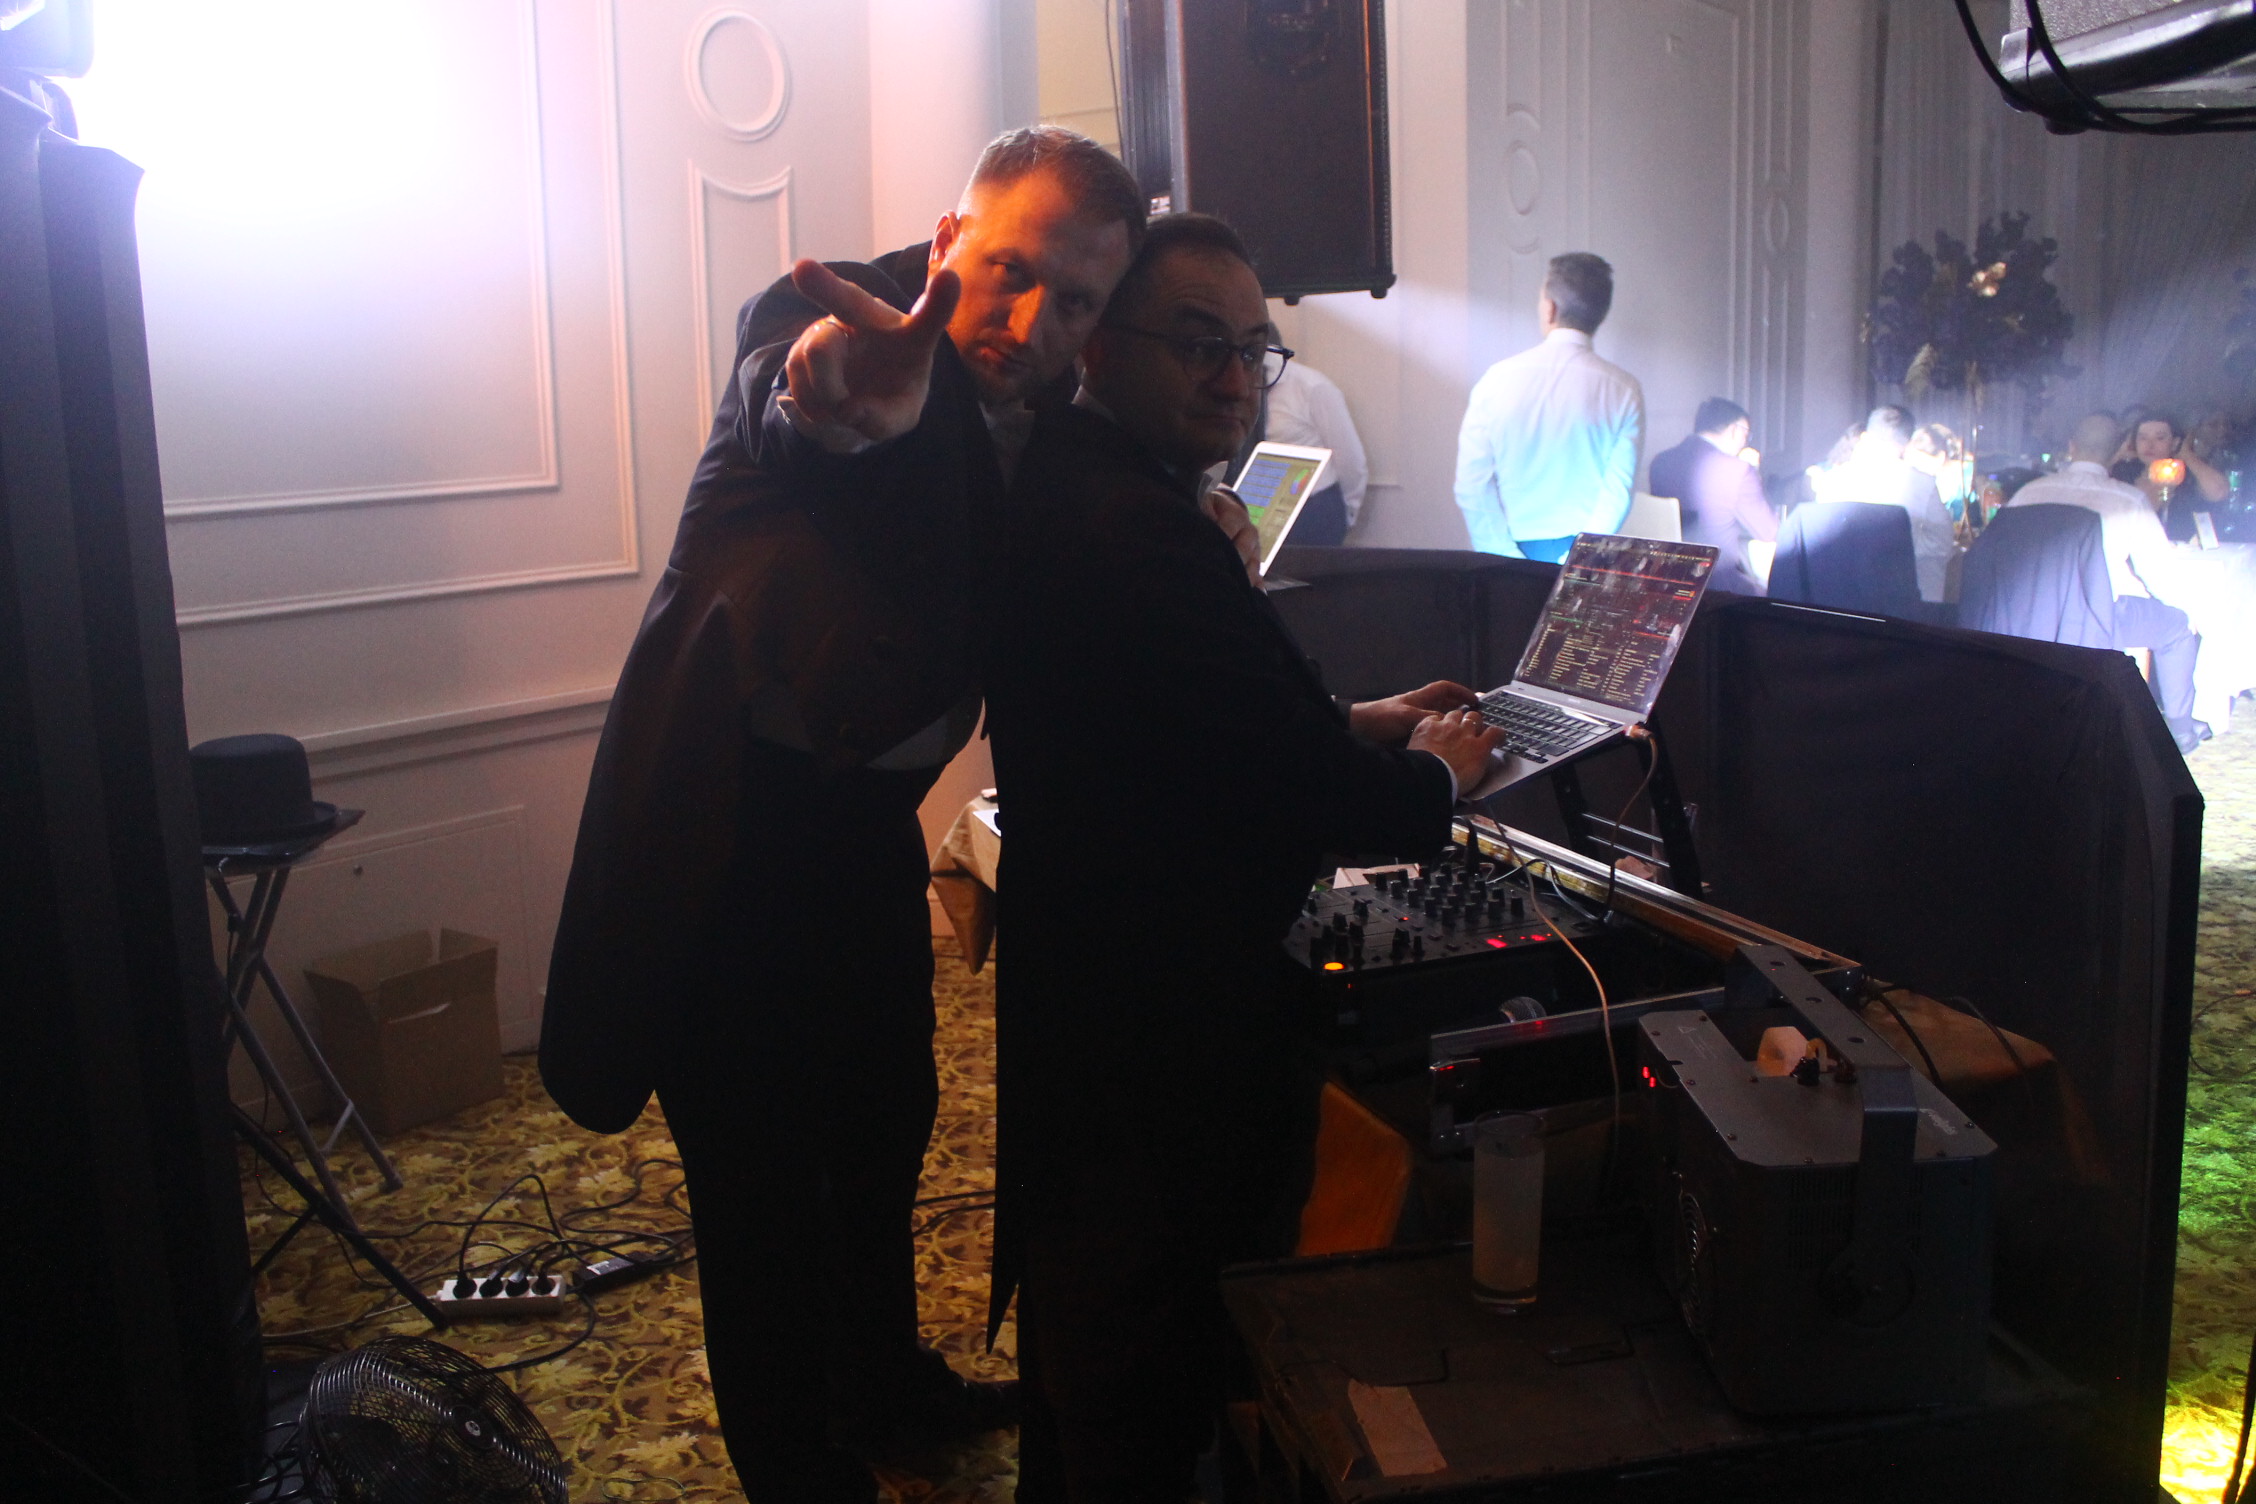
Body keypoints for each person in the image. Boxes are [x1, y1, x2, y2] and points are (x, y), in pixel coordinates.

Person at [540, 127, 1146, 1503]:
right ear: (949, 240)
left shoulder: (1060, 407)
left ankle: (882, 1386)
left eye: (1078, 300)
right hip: (729, 835)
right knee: (760, 1187)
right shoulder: (846, 326)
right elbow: (799, 393)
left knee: (884, 1125)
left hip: (867, 830)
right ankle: (798, 1474)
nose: (1032, 323)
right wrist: (832, 400)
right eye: (1010, 271)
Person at [985, 213, 1503, 1502]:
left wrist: (1362, 717)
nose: (1234, 380)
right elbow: (1296, 789)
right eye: (1197, 345)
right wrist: (1439, 773)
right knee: (1150, 1368)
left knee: (1093, 1346)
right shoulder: (1137, 526)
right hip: (1160, 1032)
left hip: (1097, 998)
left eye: (1253, 349)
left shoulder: (1100, 483)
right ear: (1101, 347)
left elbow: (1198, 725)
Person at [2007, 412, 2207, 753]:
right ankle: (2180, 732)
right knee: (2179, 626)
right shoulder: (2126, 500)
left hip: (2028, 617)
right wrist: (2192, 610)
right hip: (2095, 619)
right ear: (2118, 452)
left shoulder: (2028, 493)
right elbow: (2162, 576)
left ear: (2071, 447)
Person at [1453, 252, 1644, 561]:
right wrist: (1579, 559)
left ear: (1550, 308)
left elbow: (1472, 484)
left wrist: (1503, 557)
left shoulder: (1496, 380)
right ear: (1601, 314)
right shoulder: (1624, 389)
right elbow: (1617, 492)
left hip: (1509, 548)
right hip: (1583, 554)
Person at [1809, 404, 1958, 602]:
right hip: (1904, 600)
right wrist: (1902, 546)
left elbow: (1822, 544)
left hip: (1843, 598)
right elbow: (1942, 543)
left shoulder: (1831, 481)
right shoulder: (1922, 484)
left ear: (1866, 435)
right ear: (1907, 442)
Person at [1646, 397, 1776, 595]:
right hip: (1718, 585)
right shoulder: (1738, 470)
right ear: (1735, 430)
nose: (1745, 442)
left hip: (1669, 582)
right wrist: (1754, 471)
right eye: (1746, 435)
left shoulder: (1660, 461)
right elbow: (1768, 532)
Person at [1262, 356, 1368, 545]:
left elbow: (1350, 458)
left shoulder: (1312, 386)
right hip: (1258, 508)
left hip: (1313, 510)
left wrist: (1347, 512)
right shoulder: (1237, 390)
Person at [2111, 411, 2231, 507]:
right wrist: (2118, 455)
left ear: (2174, 443)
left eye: (2160, 438)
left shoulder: (2187, 477)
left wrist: (2186, 454)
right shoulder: (2122, 473)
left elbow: (2219, 492)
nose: (2150, 445)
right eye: (2143, 438)